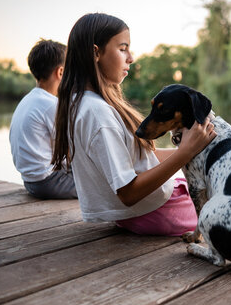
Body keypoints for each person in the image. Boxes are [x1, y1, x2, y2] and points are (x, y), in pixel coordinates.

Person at [51, 13, 216, 236]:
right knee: (228, 210)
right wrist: (186, 153)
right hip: (157, 213)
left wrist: (195, 148)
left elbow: (136, 161)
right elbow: (128, 193)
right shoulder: (98, 113)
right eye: (122, 48)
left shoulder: (82, 103)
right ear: (96, 53)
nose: (131, 57)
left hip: (139, 214)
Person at [9, 39, 77, 199]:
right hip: (49, 182)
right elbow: (70, 150)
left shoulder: (28, 100)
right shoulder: (51, 105)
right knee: (101, 186)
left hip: (30, 182)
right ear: (60, 73)